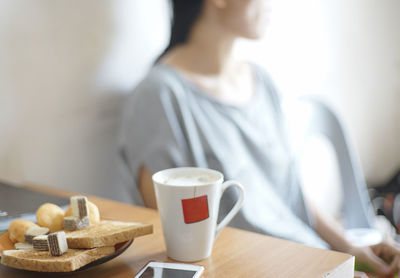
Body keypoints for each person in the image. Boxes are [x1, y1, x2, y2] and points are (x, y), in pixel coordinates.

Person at [119, 0, 400, 275]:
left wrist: (349, 250)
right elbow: (171, 237)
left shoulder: (262, 81)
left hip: (315, 260)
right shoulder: (160, 98)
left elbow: (290, 196)